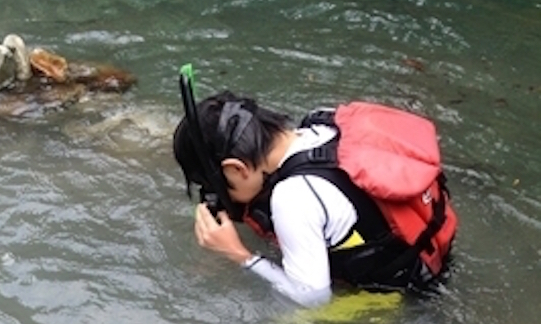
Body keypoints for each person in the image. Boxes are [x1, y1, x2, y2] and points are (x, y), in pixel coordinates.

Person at [172, 90, 454, 307]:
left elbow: (312, 300)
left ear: (236, 169)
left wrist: (239, 255)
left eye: (215, 185)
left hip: (400, 298)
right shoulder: (322, 123)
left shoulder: (293, 196)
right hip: (426, 251)